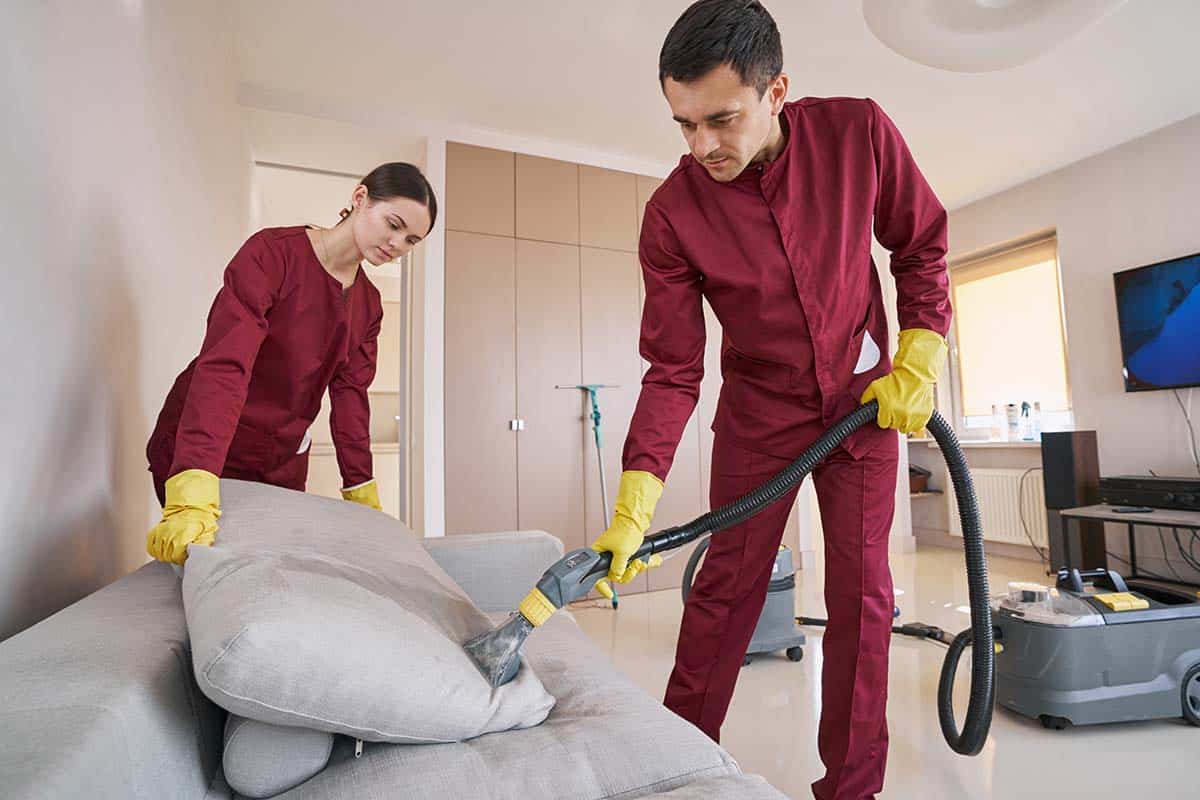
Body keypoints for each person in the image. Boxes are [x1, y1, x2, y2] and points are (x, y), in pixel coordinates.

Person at [590, 3, 951, 798]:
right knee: (726, 594)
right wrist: (635, 501)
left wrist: (920, 350)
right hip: (759, 415)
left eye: (720, 119)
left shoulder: (859, 133)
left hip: (867, 407)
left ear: (777, 90)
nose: (701, 146)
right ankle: (671, 771)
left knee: (863, 598)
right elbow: (673, 368)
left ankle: (852, 788)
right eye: (682, 124)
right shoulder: (672, 215)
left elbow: (920, 244)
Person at [145, 162, 437, 565]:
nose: (397, 244)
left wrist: (361, 492)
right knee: (206, 567)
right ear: (360, 199)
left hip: (279, 460)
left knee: (266, 569)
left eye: (411, 240)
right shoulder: (272, 255)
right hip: (208, 442)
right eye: (393, 224)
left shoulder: (368, 307)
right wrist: (194, 476)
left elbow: (351, 400)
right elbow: (224, 365)